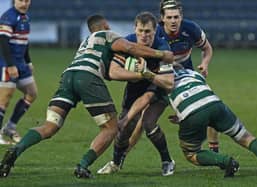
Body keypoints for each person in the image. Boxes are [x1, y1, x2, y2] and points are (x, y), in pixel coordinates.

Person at [0, 14, 174, 178]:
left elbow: (112, 69)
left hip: (68, 76)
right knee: (111, 128)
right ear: (105, 25)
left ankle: (16, 150)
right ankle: (83, 166)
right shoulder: (108, 34)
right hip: (88, 77)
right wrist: (161, 55)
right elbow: (128, 48)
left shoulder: (85, 42)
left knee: (50, 125)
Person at [126, 0, 219, 155]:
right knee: (143, 120)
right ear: (162, 18)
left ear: (181, 17)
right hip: (161, 78)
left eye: (176, 17)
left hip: (185, 78)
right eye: (169, 17)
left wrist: (205, 63)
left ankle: (214, 152)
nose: (173, 21)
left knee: (210, 106)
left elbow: (207, 48)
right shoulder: (155, 33)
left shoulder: (191, 28)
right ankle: (120, 157)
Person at [97, 12, 175, 176]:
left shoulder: (162, 47)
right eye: (140, 31)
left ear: (155, 31)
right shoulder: (128, 42)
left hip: (158, 86)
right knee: (125, 130)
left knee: (148, 123)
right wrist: (140, 75)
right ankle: (116, 163)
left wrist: (148, 74)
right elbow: (114, 72)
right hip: (137, 85)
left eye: (148, 32)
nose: (143, 35)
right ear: (135, 29)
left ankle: (167, 161)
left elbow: (168, 83)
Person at [168, 65, 257, 177]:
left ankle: (226, 161)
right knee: (247, 138)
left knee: (191, 154)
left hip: (192, 114)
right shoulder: (193, 73)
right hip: (215, 104)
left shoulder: (163, 80)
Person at [0, 0, 37, 144]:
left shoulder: (25, 17)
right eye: (21, 0)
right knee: (4, 100)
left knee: (32, 93)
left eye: (27, 0)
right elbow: (2, 42)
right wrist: (10, 65)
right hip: (8, 64)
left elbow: (24, 42)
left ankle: (10, 127)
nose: (24, 3)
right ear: (14, 1)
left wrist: (28, 62)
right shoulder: (8, 17)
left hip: (21, 64)